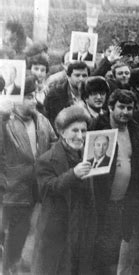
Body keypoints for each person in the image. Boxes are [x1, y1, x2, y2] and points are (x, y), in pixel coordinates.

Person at [0, 76, 57, 274]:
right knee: (8, 233)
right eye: (28, 96)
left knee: (21, 234)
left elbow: (53, 144)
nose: (33, 101)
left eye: (34, 96)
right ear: (15, 98)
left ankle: (11, 267)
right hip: (10, 189)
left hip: (35, 190)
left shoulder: (41, 119)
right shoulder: (5, 120)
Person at [32, 105, 96, 274]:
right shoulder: (47, 160)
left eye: (83, 131)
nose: (80, 136)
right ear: (61, 131)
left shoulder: (89, 156)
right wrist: (73, 174)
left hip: (81, 227)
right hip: (57, 231)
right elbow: (47, 190)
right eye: (74, 130)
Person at [90, 89, 139, 275]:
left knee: (115, 248)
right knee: (97, 250)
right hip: (101, 201)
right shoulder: (98, 128)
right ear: (110, 107)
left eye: (130, 108)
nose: (125, 112)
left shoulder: (135, 129)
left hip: (124, 202)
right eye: (121, 107)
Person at [44, 61, 89, 126]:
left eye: (84, 76)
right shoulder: (55, 94)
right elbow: (53, 122)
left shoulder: (91, 93)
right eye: (77, 75)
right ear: (68, 76)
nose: (81, 79)